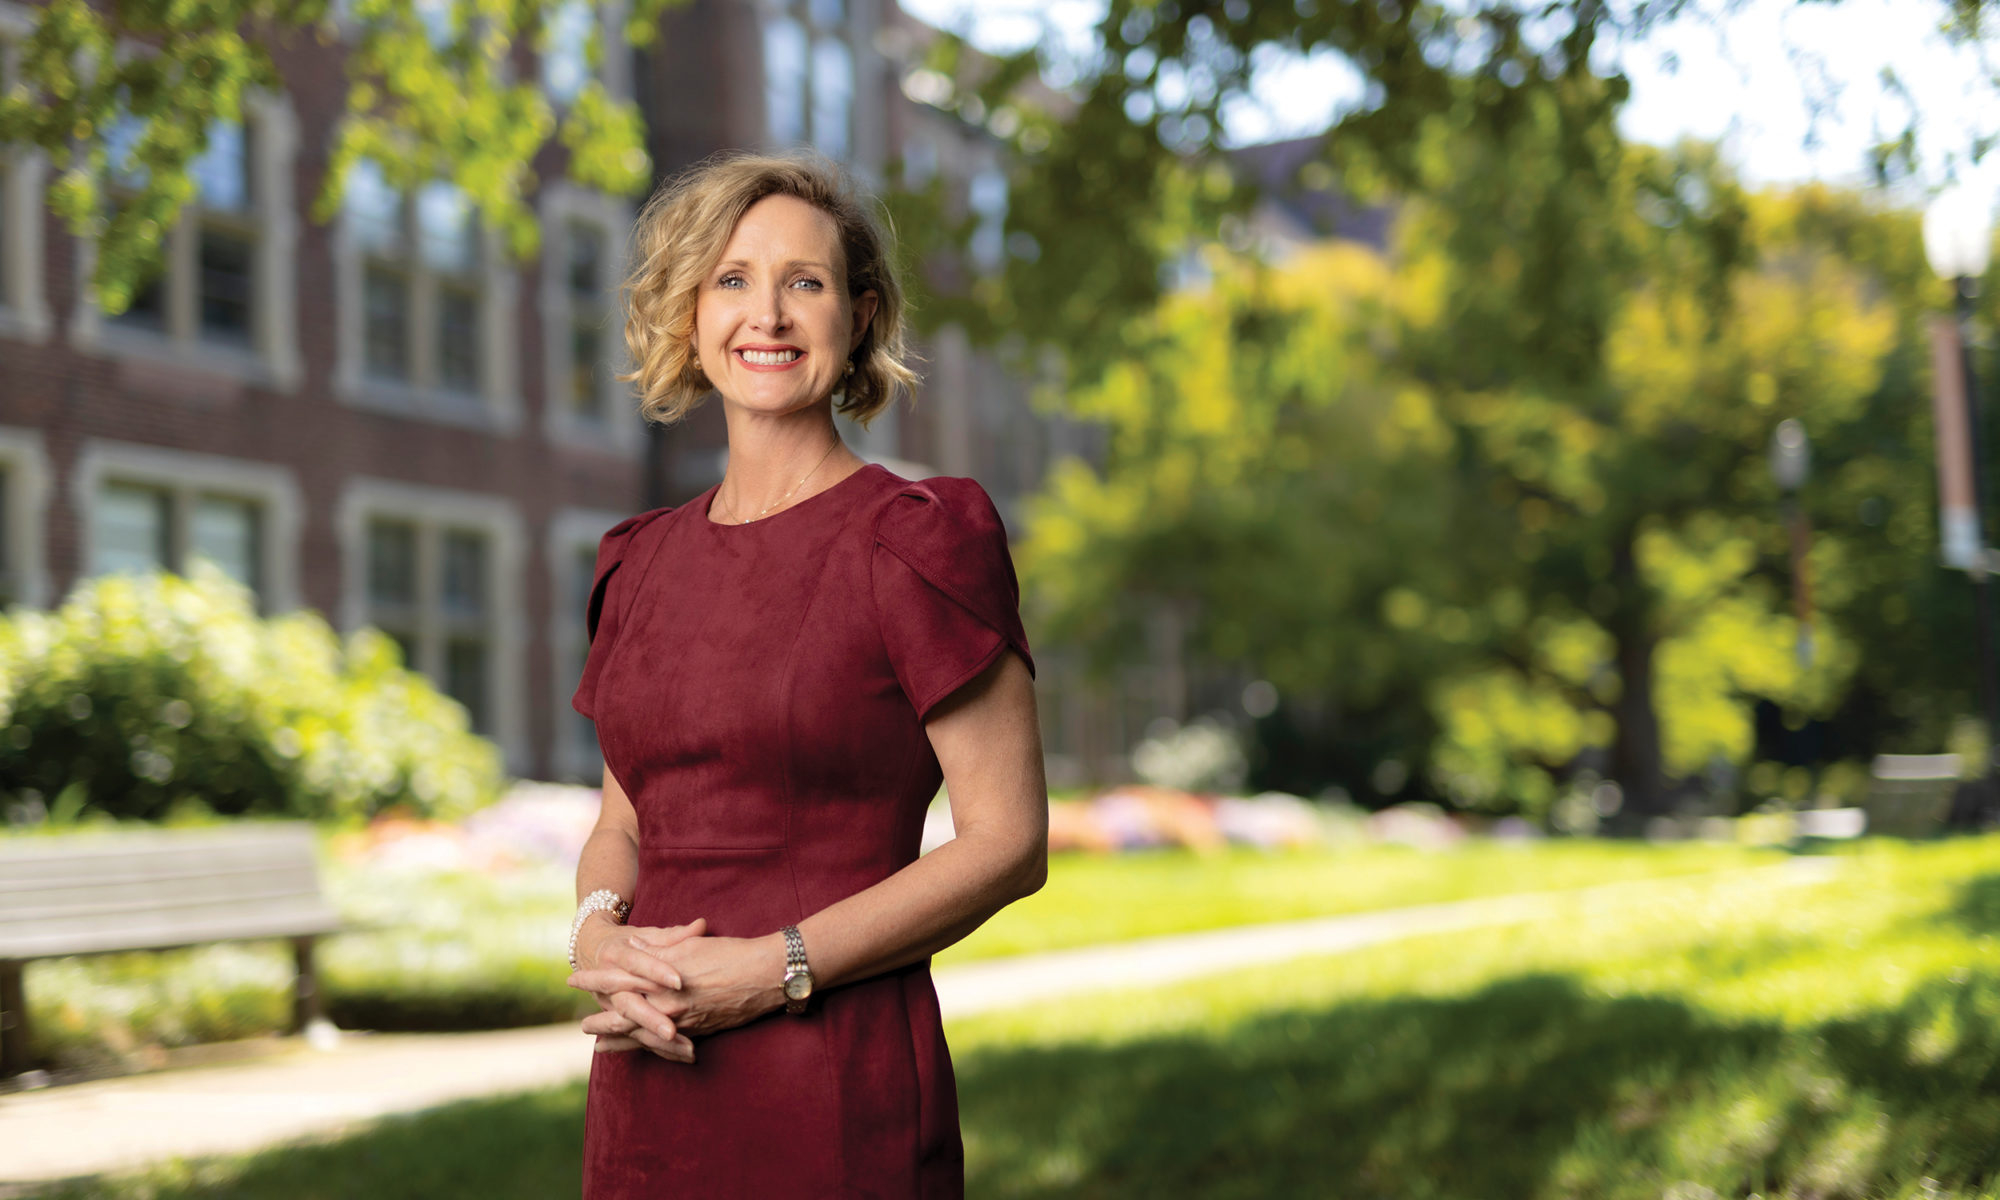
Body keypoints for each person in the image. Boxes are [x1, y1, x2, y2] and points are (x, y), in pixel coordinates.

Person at [563, 149, 1050, 1199]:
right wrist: (597, 930)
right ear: (688, 315)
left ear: (860, 315)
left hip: (834, 1084)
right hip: (648, 1087)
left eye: (806, 282)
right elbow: (625, 821)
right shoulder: (638, 561)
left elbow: (1008, 843)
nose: (766, 316)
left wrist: (768, 968)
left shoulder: (919, 539)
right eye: (731, 280)